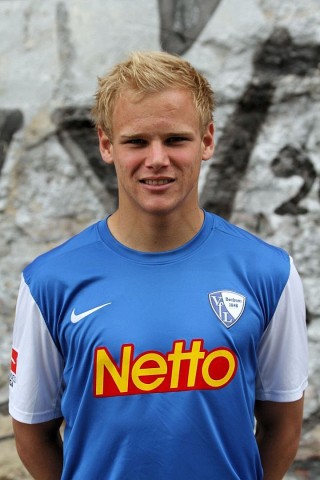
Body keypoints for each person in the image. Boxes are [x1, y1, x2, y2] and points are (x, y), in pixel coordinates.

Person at [9, 51, 308, 480]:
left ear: (207, 141)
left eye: (175, 139)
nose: (156, 159)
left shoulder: (268, 273)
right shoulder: (49, 282)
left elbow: (282, 425)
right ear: (106, 144)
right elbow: (32, 434)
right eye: (136, 141)